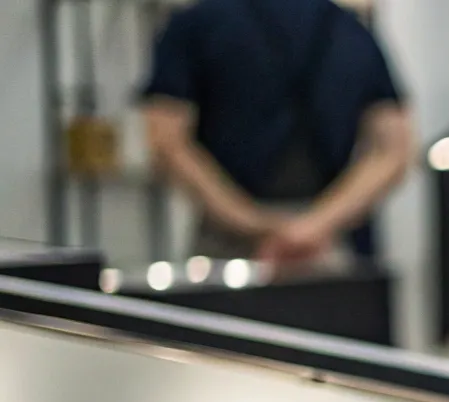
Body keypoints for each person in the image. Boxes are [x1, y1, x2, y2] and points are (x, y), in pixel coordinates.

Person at [140, 0, 414, 268]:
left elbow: (166, 142)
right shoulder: (351, 30)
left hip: (231, 239)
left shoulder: (196, 23)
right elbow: (392, 150)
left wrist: (252, 221)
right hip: (325, 239)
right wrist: (315, 225)